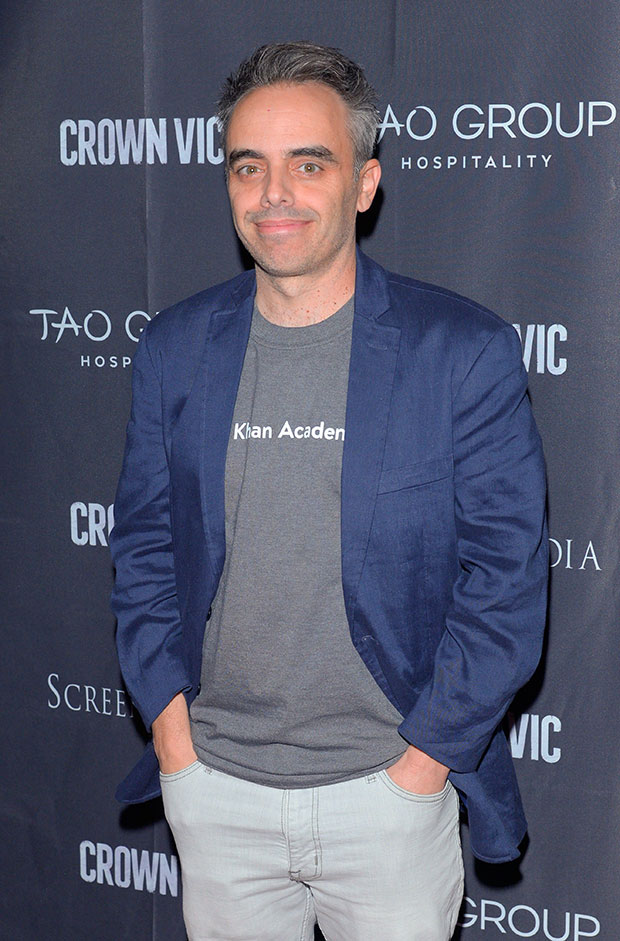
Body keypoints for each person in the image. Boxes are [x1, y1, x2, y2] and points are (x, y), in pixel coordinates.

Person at [110, 41, 548, 941]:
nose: (274, 193)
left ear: (365, 183)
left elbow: (507, 582)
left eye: (309, 164)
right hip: (216, 794)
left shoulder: (460, 352)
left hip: (388, 800)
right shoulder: (174, 349)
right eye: (249, 166)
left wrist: (422, 765)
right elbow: (144, 549)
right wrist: (175, 745)